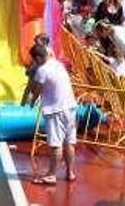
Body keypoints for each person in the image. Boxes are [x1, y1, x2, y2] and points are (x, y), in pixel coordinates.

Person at [26, 43, 77, 185]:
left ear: (37, 58)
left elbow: (36, 90)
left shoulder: (43, 70)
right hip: (70, 107)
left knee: (56, 144)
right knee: (69, 142)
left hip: (56, 109)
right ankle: (70, 172)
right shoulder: (58, 64)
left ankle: (52, 175)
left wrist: (32, 101)